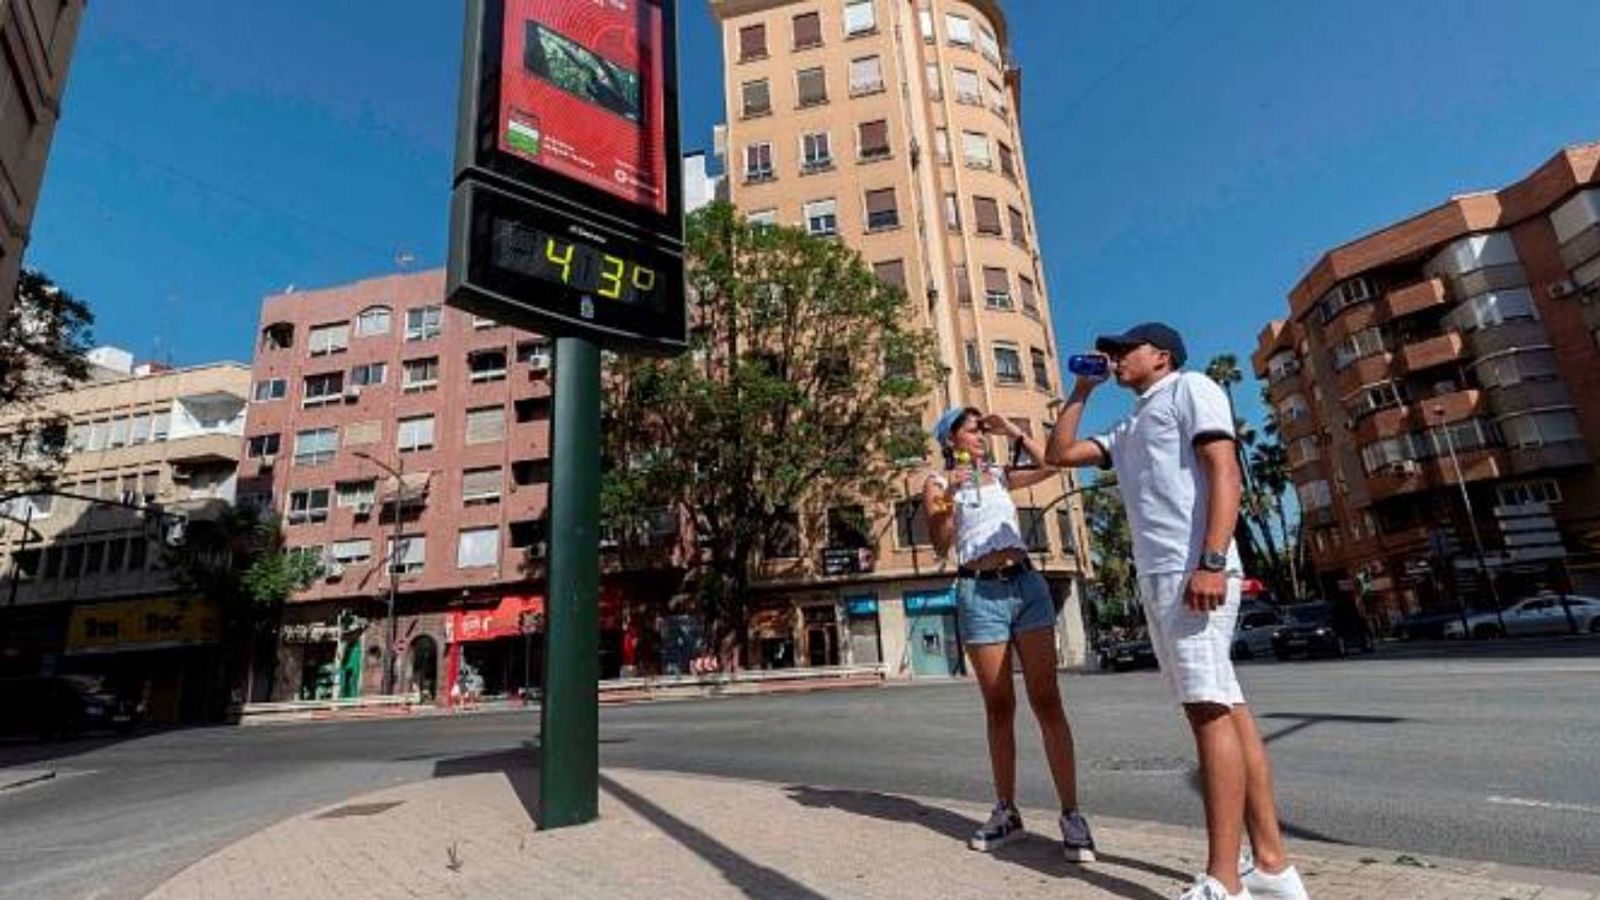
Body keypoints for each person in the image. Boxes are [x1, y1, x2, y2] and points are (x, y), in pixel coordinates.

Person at [1045, 323, 1309, 900]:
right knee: (1227, 710)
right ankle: (1272, 866)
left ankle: (1223, 880)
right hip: (1161, 576)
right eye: (1109, 354)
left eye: (1122, 351)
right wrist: (1081, 392)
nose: (1113, 360)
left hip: (1196, 570)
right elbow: (1059, 453)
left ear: (1160, 356)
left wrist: (1212, 560)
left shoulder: (1191, 388)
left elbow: (1224, 471)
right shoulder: (1132, 420)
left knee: (1207, 713)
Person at [923, 406, 1096, 862]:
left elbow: (1052, 465)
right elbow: (941, 541)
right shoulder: (938, 483)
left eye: (983, 427)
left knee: (1048, 700)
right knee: (1000, 706)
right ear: (951, 438)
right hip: (979, 593)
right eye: (973, 428)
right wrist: (949, 498)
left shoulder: (1000, 473)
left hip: (1026, 585)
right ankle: (1007, 811)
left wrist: (1015, 431)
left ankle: (1072, 815)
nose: (981, 433)